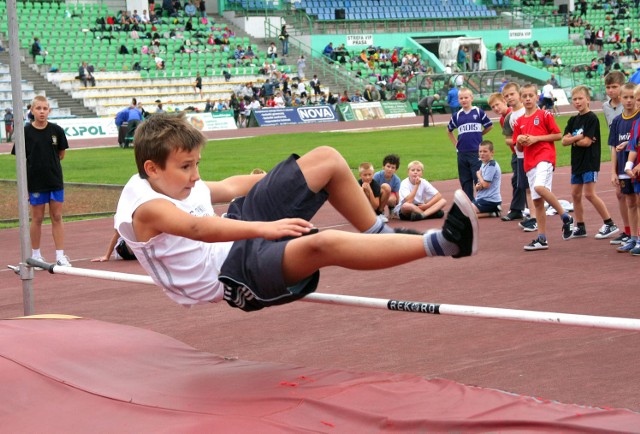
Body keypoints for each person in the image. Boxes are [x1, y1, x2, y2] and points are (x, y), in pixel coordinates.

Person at [113, 114, 478, 312]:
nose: (195, 175)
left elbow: (224, 187)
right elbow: (196, 227)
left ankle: (380, 237)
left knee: (325, 159)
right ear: (152, 168)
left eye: (197, 164)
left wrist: (268, 180)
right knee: (325, 243)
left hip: (236, 229)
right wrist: (264, 228)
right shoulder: (145, 208)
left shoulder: (177, 180)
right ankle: (446, 243)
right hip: (227, 276)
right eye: (187, 167)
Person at [11, 96, 71, 267]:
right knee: (37, 218)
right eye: (38, 108)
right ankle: (36, 255)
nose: (42, 112)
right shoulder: (25, 133)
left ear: (49, 111)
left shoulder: (57, 130)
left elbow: (61, 154)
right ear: (32, 110)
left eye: (45, 108)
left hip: (54, 180)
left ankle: (60, 255)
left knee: (57, 216)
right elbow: (20, 158)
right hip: (35, 182)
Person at [513, 83, 573, 251]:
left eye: (530, 96)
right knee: (537, 203)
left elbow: (558, 134)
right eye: (524, 96)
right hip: (529, 162)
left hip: (544, 157)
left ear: (537, 97)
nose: (527, 99)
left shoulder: (545, 114)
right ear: (521, 98)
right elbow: (518, 149)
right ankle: (542, 238)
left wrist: (536, 139)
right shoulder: (519, 122)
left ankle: (565, 216)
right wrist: (519, 141)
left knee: (539, 188)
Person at [561, 85, 619, 240]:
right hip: (577, 162)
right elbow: (563, 141)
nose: (578, 102)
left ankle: (609, 222)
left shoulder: (591, 118)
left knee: (589, 193)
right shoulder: (573, 120)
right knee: (575, 194)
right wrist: (576, 139)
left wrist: (573, 140)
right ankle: (580, 226)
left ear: (587, 99)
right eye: (575, 99)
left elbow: (587, 142)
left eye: (580, 98)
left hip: (590, 161)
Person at [447, 87, 493, 201]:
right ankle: (469, 203)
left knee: (478, 177)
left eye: (466, 97)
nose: (464, 100)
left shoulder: (478, 112)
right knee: (465, 180)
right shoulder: (457, 115)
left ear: (471, 98)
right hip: (462, 152)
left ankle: (483, 201)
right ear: (458, 100)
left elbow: (489, 125)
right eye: (461, 98)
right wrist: (455, 144)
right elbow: (449, 130)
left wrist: (480, 134)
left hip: (475, 152)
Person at [609, 82, 640, 252]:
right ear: (620, 98)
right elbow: (614, 147)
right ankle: (633, 237)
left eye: (632, 97)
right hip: (624, 168)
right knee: (630, 202)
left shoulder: (639, 119)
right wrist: (613, 171)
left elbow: (635, 143)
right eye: (626, 97)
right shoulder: (617, 121)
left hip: (636, 167)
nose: (629, 101)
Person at [603, 71, 628, 245]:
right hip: (617, 152)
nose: (611, 90)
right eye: (608, 87)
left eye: (614, 87)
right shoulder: (606, 107)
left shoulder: (631, 104)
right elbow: (612, 136)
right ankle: (627, 231)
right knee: (620, 193)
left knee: (635, 195)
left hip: (633, 150)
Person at [472, 141, 502, 218]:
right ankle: (494, 212)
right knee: (464, 211)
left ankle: (492, 213)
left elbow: (486, 184)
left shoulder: (491, 166)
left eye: (485, 151)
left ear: (492, 152)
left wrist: (478, 175)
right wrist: (478, 186)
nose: (482, 154)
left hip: (490, 200)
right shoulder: (484, 163)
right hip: (482, 198)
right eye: (480, 151)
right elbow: (483, 183)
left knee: (467, 214)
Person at [373, 154, 401, 218]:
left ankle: (391, 208)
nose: (390, 169)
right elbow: (373, 190)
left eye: (393, 167)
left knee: (392, 199)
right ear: (383, 166)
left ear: (396, 170)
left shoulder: (397, 180)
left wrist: (398, 206)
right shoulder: (377, 176)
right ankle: (380, 210)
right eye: (388, 166)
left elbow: (397, 194)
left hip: (389, 195)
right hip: (377, 194)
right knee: (385, 187)